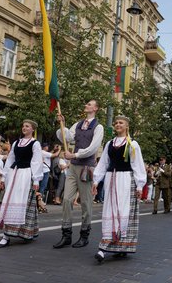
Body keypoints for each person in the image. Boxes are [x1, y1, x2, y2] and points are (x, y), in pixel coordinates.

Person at [92, 116, 146, 262]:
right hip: (111, 179)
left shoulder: (132, 144)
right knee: (110, 210)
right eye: (115, 123)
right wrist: (96, 181)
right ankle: (107, 245)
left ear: (127, 126)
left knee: (123, 211)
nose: (117, 124)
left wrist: (140, 185)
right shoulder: (109, 144)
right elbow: (103, 163)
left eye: (120, 123)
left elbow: (137, 164)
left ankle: (115, 247)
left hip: (126, 180)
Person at [53, 100, 104, 249]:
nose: (86, 105)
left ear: (95, 108)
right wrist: (62, 124)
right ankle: (66, 234)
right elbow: (66, 137)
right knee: (67, 199)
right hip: (73, 168)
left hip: (86, 167)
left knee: (86, 202)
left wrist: (74, 155)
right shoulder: (79, 124)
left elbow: (93, 148)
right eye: (86, 104)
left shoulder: (98, 127)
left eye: (89, 104)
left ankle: (84, 234)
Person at [0, 119, 43, 247]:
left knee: (24, 202)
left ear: (32, 129)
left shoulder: (35, 144)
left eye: (27, 126)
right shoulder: (17, 142)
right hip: (14, 173)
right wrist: (4, 178)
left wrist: (36, 179)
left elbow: (36, 162)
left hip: (26, 174)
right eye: (23, 126)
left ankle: (26, 232)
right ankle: (6, 235)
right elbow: (10, 159)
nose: (24, 128)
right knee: (9, 201)